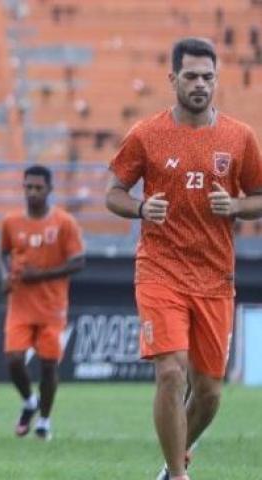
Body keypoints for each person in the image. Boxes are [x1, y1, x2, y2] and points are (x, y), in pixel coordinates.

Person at [106, 38, 262, 480]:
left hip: (215, 277)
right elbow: (112, 193)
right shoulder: (146, 134)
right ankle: (177, 476)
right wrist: (139, 208)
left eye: (207, 77)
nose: (199, 84)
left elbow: (259, 198)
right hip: (160, 270)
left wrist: (235, 207)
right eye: (191, 76)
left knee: (210, 393)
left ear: (217, 80)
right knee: (172, 374)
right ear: (172, 78)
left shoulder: (239, 137)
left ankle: (173, 461)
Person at [0, 165, 85, 441]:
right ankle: (29, 403)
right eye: (28, 187)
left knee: (48, 366)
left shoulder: (64, 223)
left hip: (52, 307)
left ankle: (44, 421)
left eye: (38, 187)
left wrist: (42, 275)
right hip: (20, 304)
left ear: (49, 189)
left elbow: (79, 261)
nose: (32, 192)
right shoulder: (11, 221)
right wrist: (3, 276)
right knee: (13, 360)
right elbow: (1, 253)